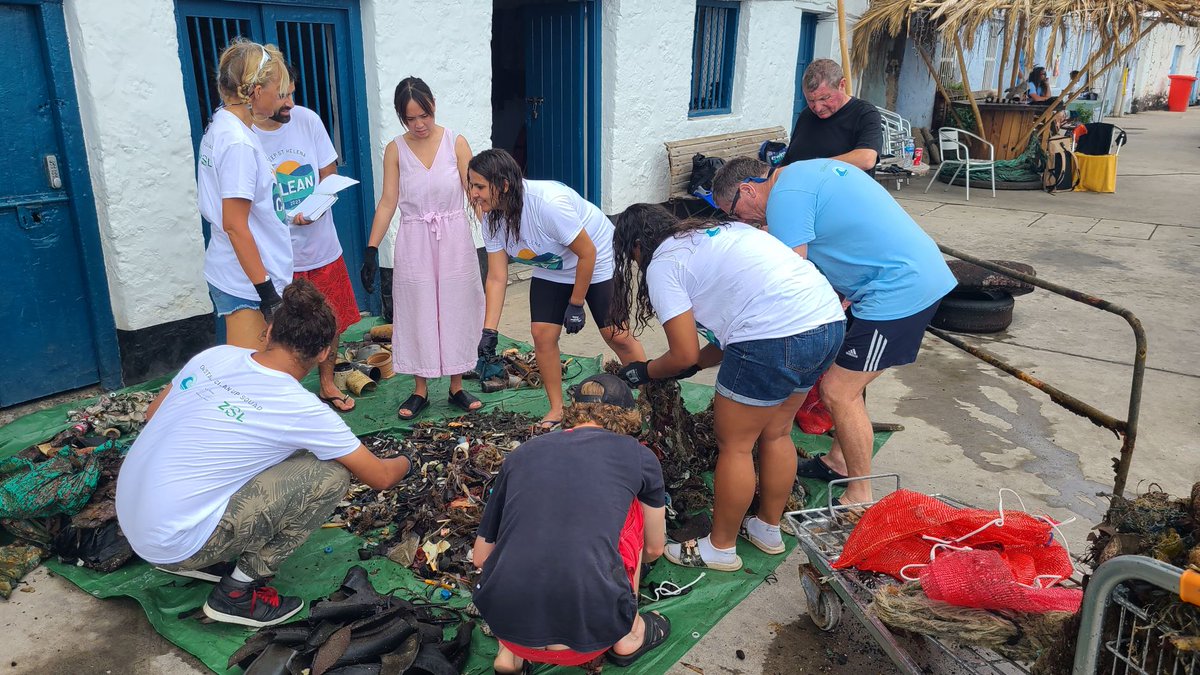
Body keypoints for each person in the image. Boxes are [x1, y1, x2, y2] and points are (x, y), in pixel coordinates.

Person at [115, 280, 411, 628]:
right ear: (321, 355)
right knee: (331, 475)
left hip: (133, 521)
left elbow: (153, 414)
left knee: (281, 448)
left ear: (268, 332)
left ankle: (200, 551)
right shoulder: (300, 408)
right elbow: (381, 476)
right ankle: (236, 593)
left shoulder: (215, 356)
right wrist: (408, 457)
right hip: (174, 542)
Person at [609, 204, 845, 571]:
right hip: (826, 323)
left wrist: (646, 371)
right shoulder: (722, 234)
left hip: (773, 337)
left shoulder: (664, 263)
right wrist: (694, 366)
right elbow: (730, 325)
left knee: (735, 446)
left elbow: (683, 352)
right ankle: (767, 529)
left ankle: (720, 547)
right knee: (777, 433)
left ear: (637, 245)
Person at [712, 157, 956, 505]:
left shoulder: (784, 199)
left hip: (898, 290)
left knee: (840, 391)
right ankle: (839, 461)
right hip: (889, 279)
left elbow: (786, 279)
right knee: (846, 372)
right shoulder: (801, 174)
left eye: (735, 213)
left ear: (747, 189)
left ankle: (860, 495)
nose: (743, 222)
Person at [472, 374, 670, 672]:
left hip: (509, 624)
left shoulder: (523, 453)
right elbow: (655, 548)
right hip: (593, 632)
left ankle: (509, 657)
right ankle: (628, 636)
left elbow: (481, 557)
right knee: (632, 511)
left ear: (573, 410)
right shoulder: (639, 457)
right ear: (629, 417)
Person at [467, 149, 645, 430]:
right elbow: (497, 277)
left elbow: (587, 253)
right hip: (552, 267)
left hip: (597, 258)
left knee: (616, 334)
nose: (473, 194)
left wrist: (575, 304)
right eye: (471, 186)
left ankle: (650, 400)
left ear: (503, 185)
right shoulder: (492, 219)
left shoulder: (548, 204)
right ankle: (557, 408)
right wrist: (489, 331)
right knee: (542, 334)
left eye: (479, 186)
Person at [361, 77, 485, 420]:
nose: (419, 124)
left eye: (424, 115)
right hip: (415, 238)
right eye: (410, 119)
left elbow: (474, 192)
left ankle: (457, 385)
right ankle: (420, 389)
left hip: (454, 238)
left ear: (433, 104)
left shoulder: (455, 143)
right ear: (402, 118)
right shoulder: (395, 150)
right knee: (417, 309)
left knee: (456, 306)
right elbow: (388, 202)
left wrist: (496, 229)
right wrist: (372, 249)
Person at [253, 71, 360, 413]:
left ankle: (327, 384)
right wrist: (285, 217)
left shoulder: (307, 120)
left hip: (322, 247)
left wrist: (317, 204)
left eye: (292, 93)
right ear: (260, 93)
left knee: (332, 320)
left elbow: (328, 173)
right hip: (278, 257)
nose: (290, 104)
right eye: (283, 96)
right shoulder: (246, 135)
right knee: (279, 331)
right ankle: (285, 399)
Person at [198, 38, 294, 350]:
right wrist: (267, 294)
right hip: (248, 284)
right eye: (277, 91)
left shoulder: (224, 126)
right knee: (248, 378)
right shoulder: (237, 141)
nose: (281, 99)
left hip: (245, 275)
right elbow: (235, 224)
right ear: (255, 92)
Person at [782, 59, 883, 173]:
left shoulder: (865, 114)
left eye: (824, 98)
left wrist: (814, 166)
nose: (818, 108)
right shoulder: (807, 115)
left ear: (842, 85)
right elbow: (788, 160)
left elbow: (866, 158)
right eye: (810, 100)